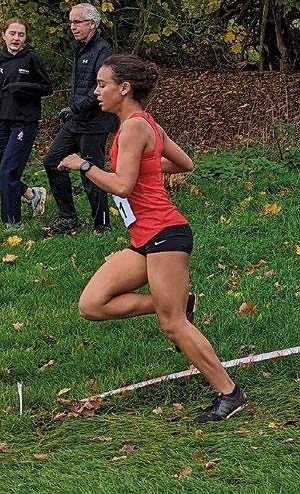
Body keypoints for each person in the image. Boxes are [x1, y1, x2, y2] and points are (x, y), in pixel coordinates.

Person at [58, 54, 247, 422]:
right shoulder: (145, 124)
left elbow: (122, 186)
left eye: (103, 84)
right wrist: (146, 164)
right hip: (145, 238)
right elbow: (183, 163)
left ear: (124, 88)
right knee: (92, 304)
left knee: (172, 324)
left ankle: (230, 393)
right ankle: (175, 302)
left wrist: (84, 164)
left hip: (164, 234)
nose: (96, 91)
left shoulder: (134, 128)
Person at [42, 3, 117, 235]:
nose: (72, 27)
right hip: (76, 121)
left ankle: (102, 225)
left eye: (77, 22)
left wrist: (74, 107)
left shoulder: (103, 50)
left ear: (92, 24)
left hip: (94, 122)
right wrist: (73, 110)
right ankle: (68, 217)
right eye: (71, 22)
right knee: (52, 161)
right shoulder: (80, 49)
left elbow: (101, 87)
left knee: (91, 173)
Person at [0, 18, 52, 228]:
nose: (16, 38)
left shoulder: (31, 59)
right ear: (4, 35)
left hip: (25, 123)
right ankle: (32, 194)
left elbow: (46, 87)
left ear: (25, 38)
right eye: (12, 33)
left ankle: (13, 224)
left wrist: (23, 87)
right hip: (3, 122)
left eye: (21, 35)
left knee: (7, 172)